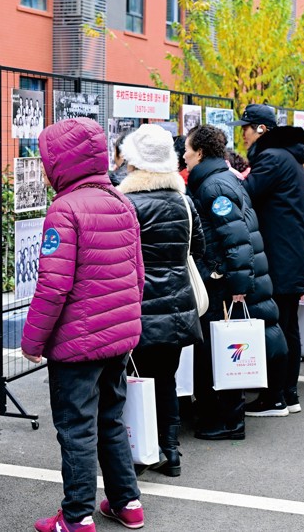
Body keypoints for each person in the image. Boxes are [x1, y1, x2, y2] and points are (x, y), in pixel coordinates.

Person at [21, 118, 146, 532]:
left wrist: (32, 341)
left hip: (76, 343)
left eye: (46, 161)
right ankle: (127, 502)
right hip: (118, 337)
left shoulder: (65, 210)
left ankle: (76, 516)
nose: (43, 170)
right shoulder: (120, 201)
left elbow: (53, 286)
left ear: (63, 163)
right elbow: (138, 274)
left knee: (76, 429)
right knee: (111, 418)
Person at [183, 125, 286, 436]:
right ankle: (223, 417)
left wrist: (238, 288)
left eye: (187, 150)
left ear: (200, 152)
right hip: (224, 279)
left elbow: (237, 240)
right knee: (220, 350)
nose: (184, 156)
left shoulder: (214, 186)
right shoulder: (221, 180)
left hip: (223, 284)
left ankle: (229, 421)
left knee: (222, 351)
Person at [117, 124, 205, 477]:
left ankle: (140, 450)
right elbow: (198, 248)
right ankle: (171, 451)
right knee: (166, 380)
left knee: (133, 379)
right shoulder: (184, 201)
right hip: (177, 305)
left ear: (133, 162)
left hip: (136, 306)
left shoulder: (126, 204)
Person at [230, 104, 304, 415]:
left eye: (246, 128)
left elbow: (246, 194)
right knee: (288, 326)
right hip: (291, 255)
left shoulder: (272, 158)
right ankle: (288, 394)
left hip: (279, 256)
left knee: (276, 326)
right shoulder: (287, 157)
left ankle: (274, 397)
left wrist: (230, 177)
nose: (243, 135)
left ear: (261, 129)